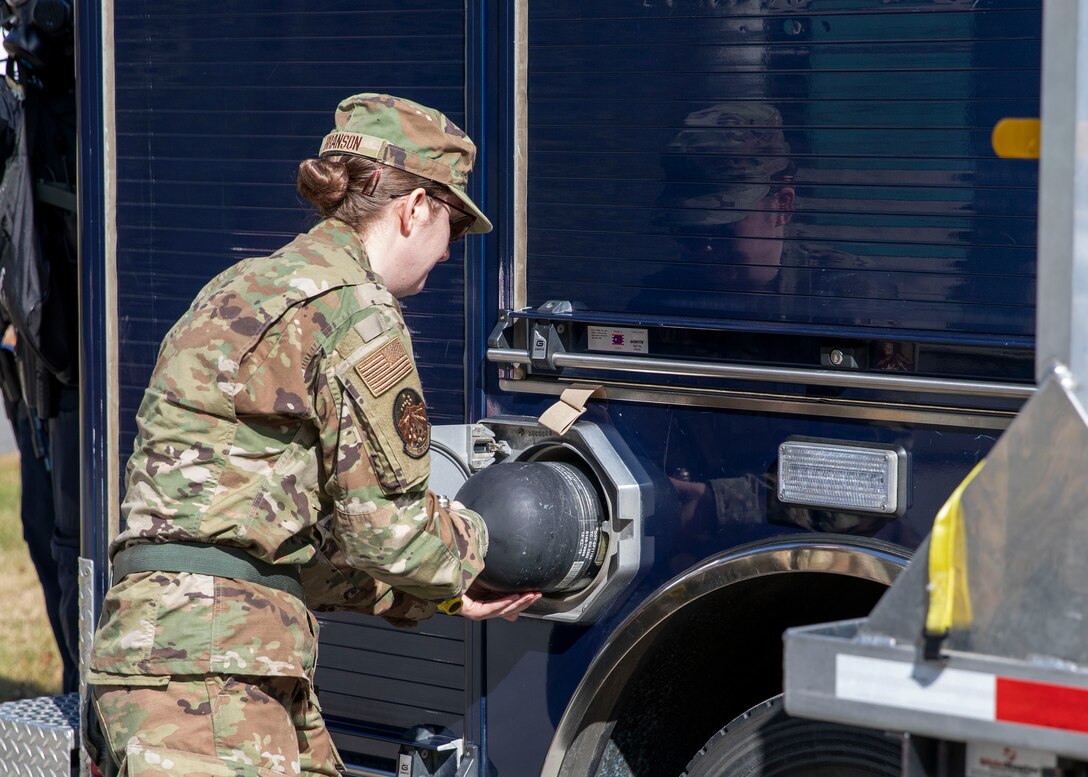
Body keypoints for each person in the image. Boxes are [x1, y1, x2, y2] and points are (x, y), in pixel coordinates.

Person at [85, 93, 539, 777]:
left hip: (170, 659)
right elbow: (387, 528)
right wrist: (485, 546)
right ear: (415, 207)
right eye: (453, 224)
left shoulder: (238, 287)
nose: (449, 254)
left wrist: (430, 592)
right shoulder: (354, 310)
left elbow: (262, 537)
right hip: (216, 681)